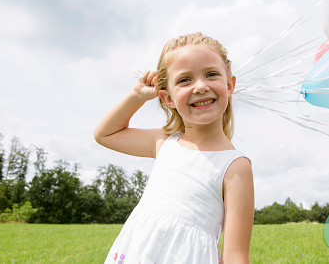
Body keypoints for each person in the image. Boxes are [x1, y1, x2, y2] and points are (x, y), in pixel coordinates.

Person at [94, 32, 254, 263]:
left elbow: (235, 255)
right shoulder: (164, 142)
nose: (200, 86)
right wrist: (136, 96)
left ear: (230, 85)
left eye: (211, 74)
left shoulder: (235, 166)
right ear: (167, 98)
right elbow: (105, 134)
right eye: (184, 80)